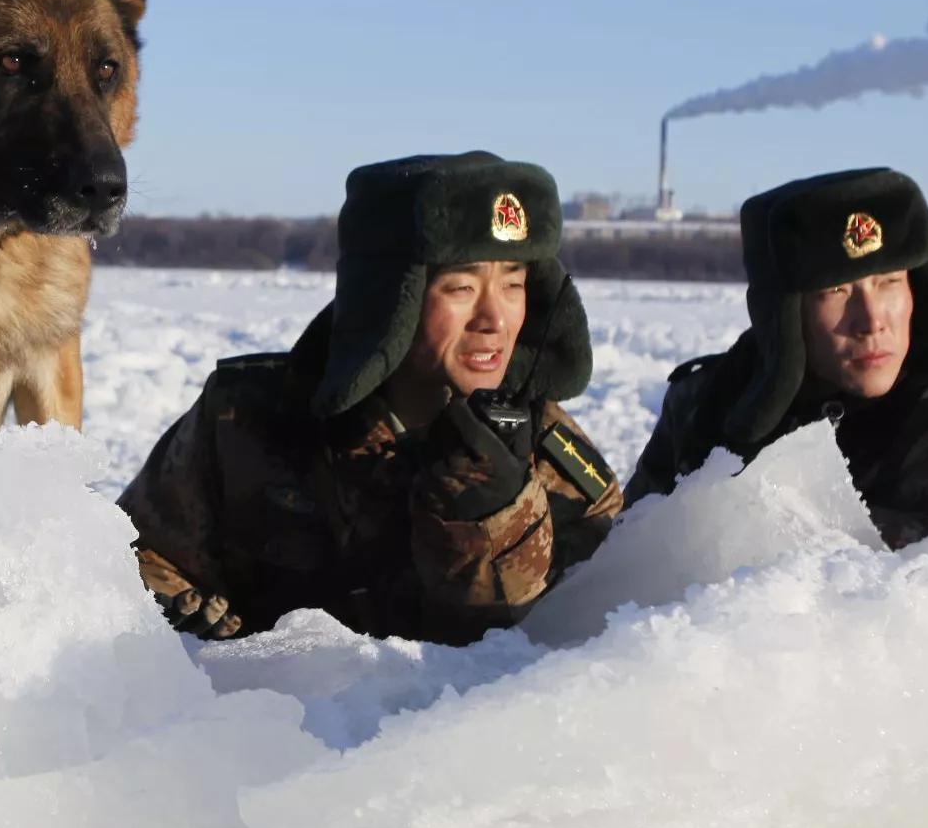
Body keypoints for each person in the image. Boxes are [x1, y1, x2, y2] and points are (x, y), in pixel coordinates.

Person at [120, 153, 624, 645]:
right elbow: (130, 560)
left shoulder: (554, 464)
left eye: (513, 284)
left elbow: (579, 653)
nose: (494, 318)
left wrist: (500, 522)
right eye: (461, 287)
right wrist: (188, 635)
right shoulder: (244, 417)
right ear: (389, 300)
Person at [625, 166, 928, 566]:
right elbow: (620, 557)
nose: (871, 322)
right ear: (782, 315)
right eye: (837, 291)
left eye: (888, 282)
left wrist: (845, 540)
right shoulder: (706, 405)